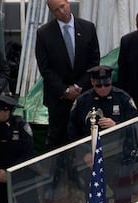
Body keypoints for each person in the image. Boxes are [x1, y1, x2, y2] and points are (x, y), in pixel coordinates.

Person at [68, 65, 138, 203]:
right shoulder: (83, 101)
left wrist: (117, 125)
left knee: (123, 199)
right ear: (93, 83)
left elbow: (135, 127)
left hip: (118, 157)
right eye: (99, 85)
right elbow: (72, 132)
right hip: (91, 158)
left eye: (106, 84)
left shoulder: (123, 98)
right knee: (94, 201)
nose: (103, 88)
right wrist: (85, 153)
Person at [35, 0, 100, 151]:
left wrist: (78, 87)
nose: (62, 11)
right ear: (52, 12)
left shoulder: (87, 28)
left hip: (84, 94)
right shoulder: (44, 33)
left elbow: (94, 60)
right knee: (57, 141)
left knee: (83, 137)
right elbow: (45, 68)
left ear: (68, 3)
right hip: (58, 99)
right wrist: (65, 90)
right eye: (57, 10)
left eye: (63, 6)